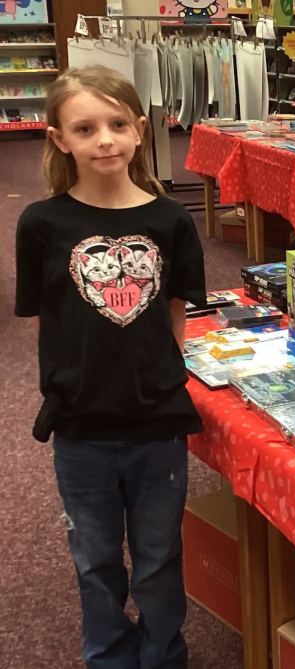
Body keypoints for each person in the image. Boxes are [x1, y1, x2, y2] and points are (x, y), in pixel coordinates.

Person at [14, 65, 206, 669]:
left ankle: (161, 654)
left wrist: (154, 374)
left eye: (118, 124)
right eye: (86, 127)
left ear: (141, 130)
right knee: (94, 557)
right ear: (58, 138)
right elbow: (47, 322)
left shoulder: (171, 221)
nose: (104, 140)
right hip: (80, 427)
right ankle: (108, 656)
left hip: (156, 423)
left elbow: (175, 318)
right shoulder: (41, 225)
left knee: (158, 556)